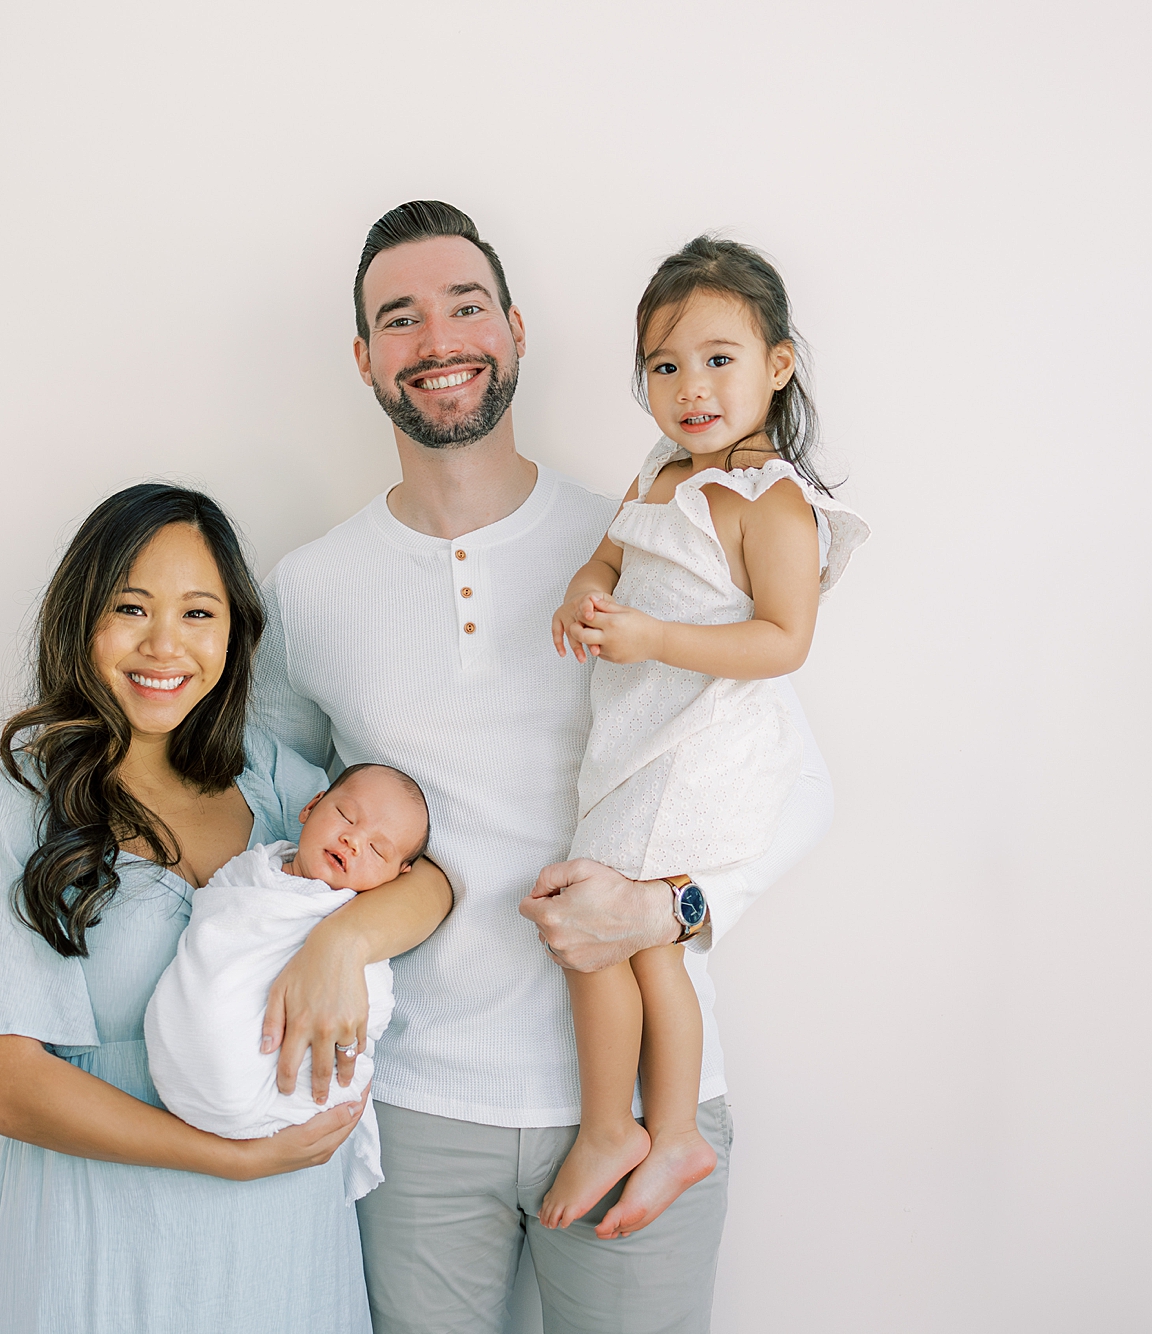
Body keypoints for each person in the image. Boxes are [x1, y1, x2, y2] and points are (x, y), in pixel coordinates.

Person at [253, 201, 843, 1334]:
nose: (437, 338)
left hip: (646, 1099)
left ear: (515, 330)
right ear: (365, 356)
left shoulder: (652, 524)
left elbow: (792, 779)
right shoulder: (313, 589)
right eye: (400, 317)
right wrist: (333, 931)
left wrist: (664, 906)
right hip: (416, 1110)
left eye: (466, 306)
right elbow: (277, 826)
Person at [0, 483, 453, 1333]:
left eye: (199, 613)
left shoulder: (270, 780)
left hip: (284, 1244)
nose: (165, 645)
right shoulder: (13, 803)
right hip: (98, 1238)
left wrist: (341, 944)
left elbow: (427, 880)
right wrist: (227, 1159)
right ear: (80, 618)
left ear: (233, 634)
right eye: (131, 607)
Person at [539, 236, 870, 1240]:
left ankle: (634, 1126)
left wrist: (647, 634)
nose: (690, 387)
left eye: (718, 358)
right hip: (637, 739)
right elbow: (607, 555)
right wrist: (585, 592)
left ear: (776, 366)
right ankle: (658, 1130)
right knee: (629, 948)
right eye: (664, 365)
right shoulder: (658, 474)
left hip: (698, 753)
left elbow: (782, 639)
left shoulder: (771, 503)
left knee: (614, 937)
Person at [145, 762, 433, 1202]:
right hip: (178, 1074)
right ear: (311, 806)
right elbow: (215, 928)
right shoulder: (252, 872)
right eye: (346, 817)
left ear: (399, 876)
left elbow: (369, 1004)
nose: (353, 841)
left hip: (275, 1099)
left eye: (378, 850)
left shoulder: (358, 920)